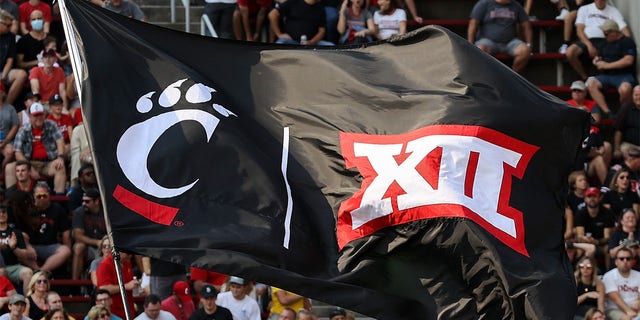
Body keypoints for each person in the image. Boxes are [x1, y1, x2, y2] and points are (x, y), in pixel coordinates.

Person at [565, 0, 630, 84]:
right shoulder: (584, 9)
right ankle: (585, 78)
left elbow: (623, 28)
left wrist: (628, 42)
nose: (599, 1)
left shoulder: (613, 11)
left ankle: (603, 79)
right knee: (570, 52)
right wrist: (589, 45)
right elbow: (579, 30)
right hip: (586, 39)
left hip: (605, 41)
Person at [10, 102, 67, 195]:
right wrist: (30, 167)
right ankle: (12, 197)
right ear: (30, 116)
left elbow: (60, 141)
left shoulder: (51, 125)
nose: (39, 118)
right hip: (30, 162)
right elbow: (17, 152)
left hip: (48, 162)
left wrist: (60, 157)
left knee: (60, 167)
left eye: (40, 114)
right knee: (9, 168)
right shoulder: (23, 130)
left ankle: (59, 199)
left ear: (44, 115)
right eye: (36, 115)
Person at [585, 19, 637, 119]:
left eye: (606, 33)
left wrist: (606, 65)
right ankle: (608, 112)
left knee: (625, 89)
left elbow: (628, 61)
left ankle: (623, 114)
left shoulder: (627, 41)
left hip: (624, 75)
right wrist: (596, 60)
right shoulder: (605, 43)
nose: (605, 35)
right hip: (606, 75)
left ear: (614, 32)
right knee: (590, 83)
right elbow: (599, 56)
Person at [468, 0, 532, 74]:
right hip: (488, 41)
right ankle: (491, 78)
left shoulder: (516, 5)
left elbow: (526, 25)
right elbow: (473, 24)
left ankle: (512, 77)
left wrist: (529, 44)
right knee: (480, 50)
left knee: (525, 50)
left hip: (510, 42)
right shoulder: (483, 4)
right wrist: (470, 44)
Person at [27, 182, 71, 273]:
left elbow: (66, 233)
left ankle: (40, 272)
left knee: (65, 251)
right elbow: (21, 233)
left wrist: (68, 257)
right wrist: (28, 246)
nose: (42, 198)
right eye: (39, 196)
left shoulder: (58, 209)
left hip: (50, 246)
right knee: (18, 250)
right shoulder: (28, 210)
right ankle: (38, 271)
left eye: (44, 195)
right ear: (34, 196)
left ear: (49, 195)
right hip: (31, 245)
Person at [575, 186, 615, 269]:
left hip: (601, 243)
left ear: (600, 198)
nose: (592, 199)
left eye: (594, 196)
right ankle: (577, 274)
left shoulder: (607, 213)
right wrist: (585, 239)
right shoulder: (580, 213)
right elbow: (579, 236)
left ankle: (607, 274)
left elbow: (607, 237)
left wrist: (596, 241)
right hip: (585, 242)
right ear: (585, 199)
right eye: (589, 196)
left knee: (607, 248)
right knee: (580, 249)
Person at [71, 188, 106, 280]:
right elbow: (78, 236)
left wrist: (104, 243)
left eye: (87, 201)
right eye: (83, 201)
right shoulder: (79, 212)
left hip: (106, 245)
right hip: (89, 247)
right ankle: (75, 284)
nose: (83, 204)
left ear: (97, 201)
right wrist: (97, 242)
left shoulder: (106, 211)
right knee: (78, 247)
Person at [0, 202, 33, 295]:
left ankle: (28, 302)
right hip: (0, 268)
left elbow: (24, 256)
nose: (1, 214)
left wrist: (13, 247)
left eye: (4, 212)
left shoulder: (16, 232)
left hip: (13, 267)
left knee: (28, 272)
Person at [268, 0, 333, 45]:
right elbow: (272, 14)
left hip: (312, 43)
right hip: (291, 41)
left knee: (331, 46)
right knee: (280, 44)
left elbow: (322, 31)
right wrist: (279, 34)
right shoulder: (294, 2)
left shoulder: (320, 8)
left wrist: (312, 42)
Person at [97, 251, 138, 319]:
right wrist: (126, 286)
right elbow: (103, 289)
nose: (130, 256)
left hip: (127, 310)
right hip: (113, 313)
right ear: (119, 252)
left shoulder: (127, 262)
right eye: (128, 253)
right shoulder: (105, 264)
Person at [603, 247, 640, 319]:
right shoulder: (609, 276)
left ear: (632, 261)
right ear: (616, 261)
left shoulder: (638, 275)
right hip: (615, 309)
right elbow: (616, 299)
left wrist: (639, 301)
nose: (625, 261)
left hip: (636, 308)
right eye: (621, 259)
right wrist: (629, 311)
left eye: (628, 258)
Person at [0, 11, 27, 106]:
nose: (10, 27)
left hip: (4, 72)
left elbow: (10, 60)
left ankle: (6, 106)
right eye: (8, 25)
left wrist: (3, 76)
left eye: (11, 25)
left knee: (21, 74)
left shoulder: (10, 37)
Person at [614, 86, 640, 161]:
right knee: (628, 156)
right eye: (636, 95)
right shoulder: (626, 108)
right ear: (632, 96)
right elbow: (618, 130)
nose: (638, 97)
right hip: (629, 145)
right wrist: (617, 149)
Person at [0, 82, 19, 172]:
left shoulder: (10, 108)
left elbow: (15, 126)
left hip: (7, 140)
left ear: (3, 93)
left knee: (10, 153)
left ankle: (2, 171)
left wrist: (6, 140)